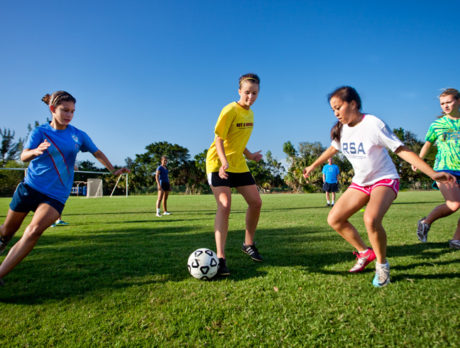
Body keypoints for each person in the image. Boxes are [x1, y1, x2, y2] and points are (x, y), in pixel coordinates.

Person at [303, 86, 455, 287]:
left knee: (371, 219)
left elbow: (401, 149)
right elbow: (333, 148)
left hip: (384, 179)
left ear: (353, 104)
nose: (336, 113)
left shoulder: (373, 124)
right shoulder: (342, 129)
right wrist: (313, 165)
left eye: (338, 107)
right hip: (361, 182)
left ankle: (382, 266)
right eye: (333, 110)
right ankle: (365, 252)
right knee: (335, 218)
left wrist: (432, 173)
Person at [0, 91, 129, 286]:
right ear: (53, 109)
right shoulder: (40, 132)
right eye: (65, 110)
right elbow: (23, 156)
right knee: (7, 232)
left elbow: (97, 152)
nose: (69, 115)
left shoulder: (78, 135)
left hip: (56, 194)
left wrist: (112, 170)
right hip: (30, 187)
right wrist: (36, 151)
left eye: (72, 111)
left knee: (34, 231)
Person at [206, 73, 263, 277]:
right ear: (239, 91)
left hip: (238, 164)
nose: (250, 97)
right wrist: (223, 163)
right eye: (247, 92)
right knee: (225, 205)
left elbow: (238, 140)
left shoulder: (251, 114)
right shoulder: (229, 110)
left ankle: (248, 244)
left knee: (256, 202)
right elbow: (219, 139)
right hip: (217, 163)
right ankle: (220, 259)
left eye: (254, 93)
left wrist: (250, 154)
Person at [413, 88, 460, 249]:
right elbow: (428, 144)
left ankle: (456, 240)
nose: (445, 106)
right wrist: (418, 160)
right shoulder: (437, 125)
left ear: (458, 101)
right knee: (454, 204)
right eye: (442, 103)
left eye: (449, 102)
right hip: (445, 168)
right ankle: (425, 222)